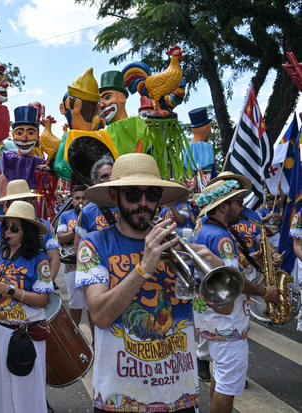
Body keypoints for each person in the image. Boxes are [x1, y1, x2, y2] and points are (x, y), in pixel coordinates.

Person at [76, 153, 219, 412]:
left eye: (151, 194)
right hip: (119, 400)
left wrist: (216, 270)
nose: (143, 203)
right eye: (132, 194)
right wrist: (143, 267)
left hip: (179, 396)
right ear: (114, 197)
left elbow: (224, 309)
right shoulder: (94, 244)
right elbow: (99, 315)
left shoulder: (178, 244)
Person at [193, 175, 280, 413]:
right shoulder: (222, 238)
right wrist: (265, 292)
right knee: (228, 384)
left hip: (212, 319)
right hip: (227, 320)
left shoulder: (206, 230)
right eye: (238, 202)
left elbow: (225, 269)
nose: (242, 207)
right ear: (223, 206)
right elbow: (236, 281)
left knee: (220, 377)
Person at [0, 200, 53, 412]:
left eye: (14, 227)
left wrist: (9, 289)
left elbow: (42, 300)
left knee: (25, 395)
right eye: (6, 227)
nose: (7, 232)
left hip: (24, 335)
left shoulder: (39, 260)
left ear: (26, 231)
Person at [0, 179, 60, 284]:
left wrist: (45, 286)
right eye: (16, 202)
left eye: (24, 201)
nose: (20, 206)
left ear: (31, 201)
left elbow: (54, 258)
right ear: (8, 204)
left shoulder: (45, 227)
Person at [56, 184, 89, 326]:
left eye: (84, 198)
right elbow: (61, 238)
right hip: (72, 266)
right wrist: (77, 229)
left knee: (91, 306)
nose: (81, 201)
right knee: (75, 305)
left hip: (90, 265)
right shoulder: (65, 215)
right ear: (72, 200)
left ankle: (95, 344)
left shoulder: (92, 213)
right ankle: (75, 338)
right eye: (77, 198)